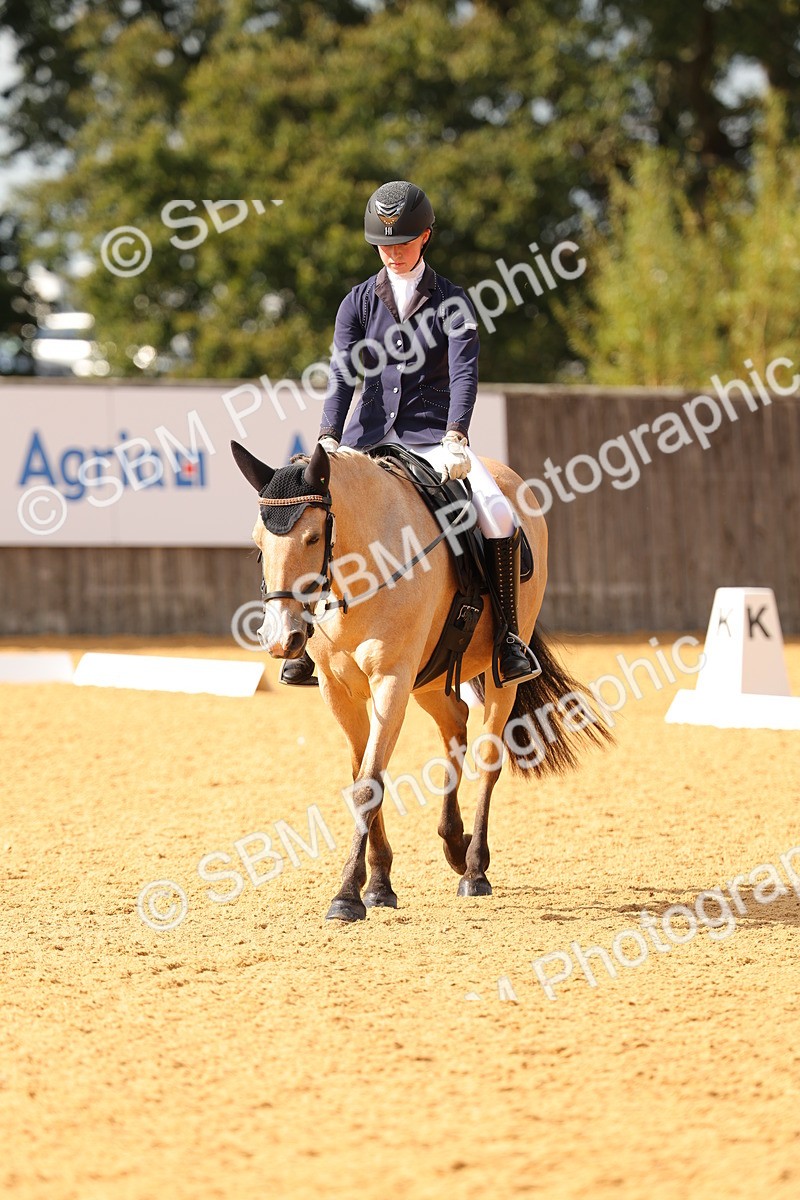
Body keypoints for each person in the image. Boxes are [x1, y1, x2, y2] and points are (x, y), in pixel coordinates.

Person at [280, 179, 538, 689]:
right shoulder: (356, 303)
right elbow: (342, 374)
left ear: (425, 238)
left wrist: (456, 436)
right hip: (365, 438)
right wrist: (330, 435)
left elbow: (465, 374)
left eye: (402, 243)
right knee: (311, 515)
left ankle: (508, 638)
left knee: (499, 514)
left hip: (430, 437)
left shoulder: (453, 302)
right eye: (383, 245)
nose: (392, 253)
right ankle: (305, 640)